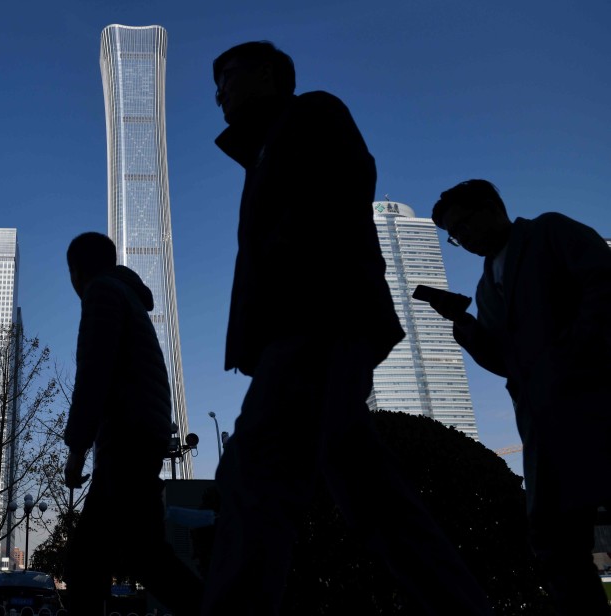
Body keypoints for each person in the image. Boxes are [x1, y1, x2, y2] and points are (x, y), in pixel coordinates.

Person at [202, 41, 492, 615]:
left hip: (316, 319)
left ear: (268, 73)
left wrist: (288, 274)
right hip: (308, 325)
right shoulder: (266, 146)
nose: (219, 96)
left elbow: (336, 193)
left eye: (227, 79)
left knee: (256, 471)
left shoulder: (311, 113)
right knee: (369, 490)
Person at [430, 179, 611, 615]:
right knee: (552, 542)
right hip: (541, 427)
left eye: (464, 225)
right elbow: (503, 360)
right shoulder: (486, 286)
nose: (463, 239)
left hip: (595, 404)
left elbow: (604, 281)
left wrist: (577, 349)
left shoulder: (549, 233)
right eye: (454, 235)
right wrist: (465, 326)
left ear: (493, 208)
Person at [63, 232, 204, 616]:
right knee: (130, 555)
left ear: (77, 271)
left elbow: (93, 374)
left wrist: (77, 450)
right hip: (143, 435)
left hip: (126, 439)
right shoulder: (128, 297)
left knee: (100, 560)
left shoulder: (102, 294)